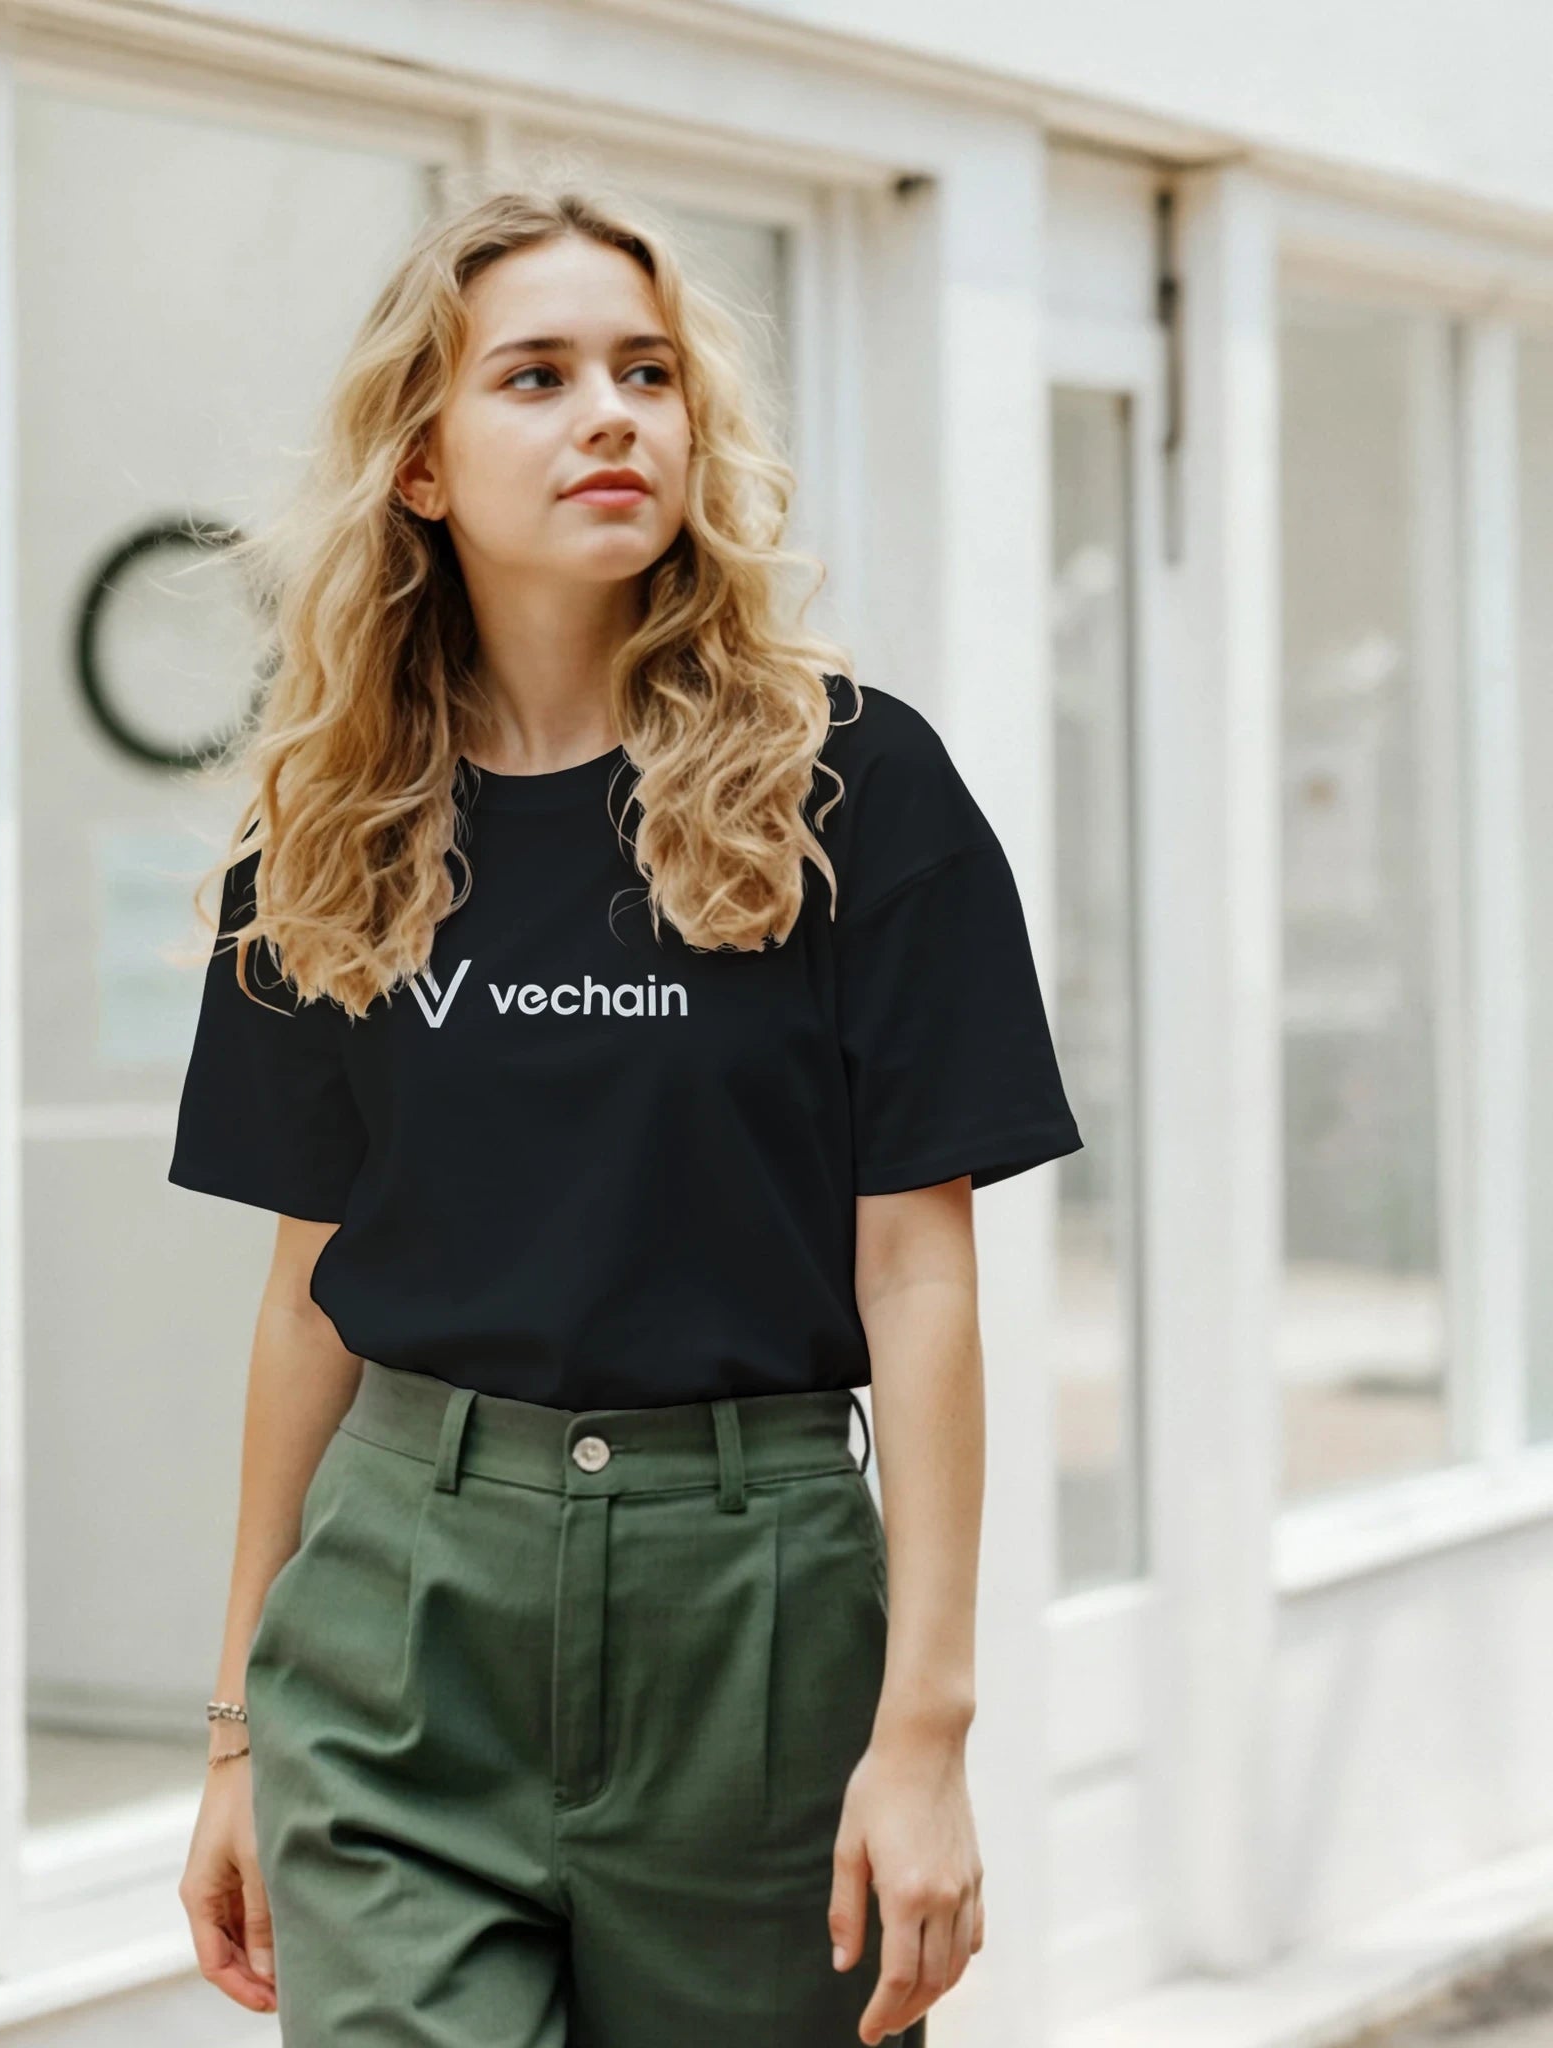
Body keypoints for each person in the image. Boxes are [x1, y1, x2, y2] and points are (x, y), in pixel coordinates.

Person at [167, 175, 1082, 2047]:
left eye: (647, 372)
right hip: (402, 1623)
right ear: (420, 463)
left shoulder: (858, 788)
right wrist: (237, 1735)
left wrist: (924, 1733)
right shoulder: (329, 831)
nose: (612, 415)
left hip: (752, 1620)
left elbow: (920, 1281)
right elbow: (308, 1297)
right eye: (538, 376)